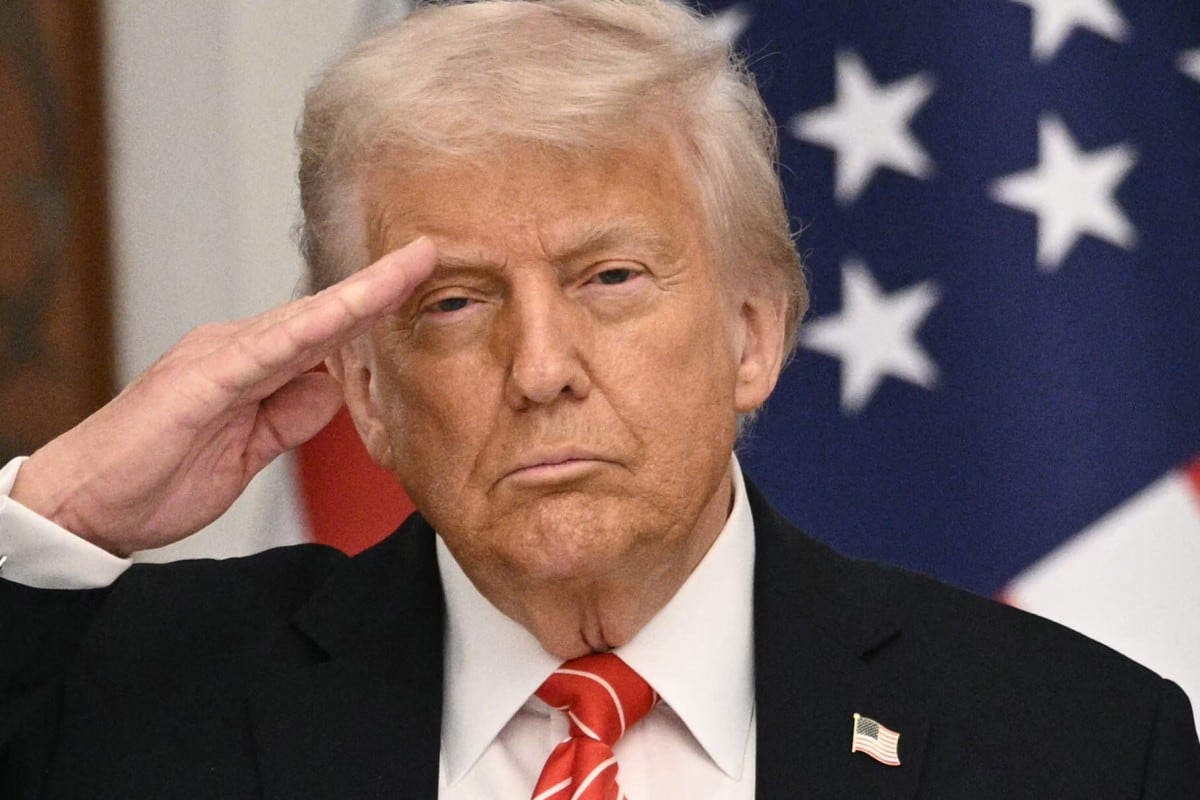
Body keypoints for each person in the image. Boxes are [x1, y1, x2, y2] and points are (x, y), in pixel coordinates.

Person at [1, 1, 1197, 797]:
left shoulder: (1073, 742)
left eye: (610, 278)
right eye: (457, 302)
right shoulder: (160, 702)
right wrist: (61, 507)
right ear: (365, 391)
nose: (539, 367)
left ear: (752, 333)